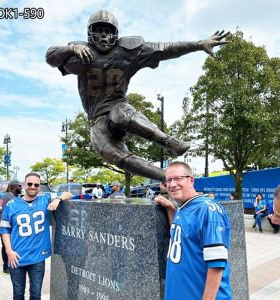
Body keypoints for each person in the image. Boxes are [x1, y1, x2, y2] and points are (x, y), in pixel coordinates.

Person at [46, 9, 229, 182]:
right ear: (90, 33)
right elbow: (51, 56)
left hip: (118, 106)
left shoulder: (127, 51)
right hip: (96, 120)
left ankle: (169, 142)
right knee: (117, 157)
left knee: (120, 115)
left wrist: (199, 44)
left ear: (115, 34)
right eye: (99, 31)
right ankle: (166, 177)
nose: (103, 36)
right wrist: (71, 49)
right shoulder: (81, 53)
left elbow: (165, 49)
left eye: (107, 31)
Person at [155, 161, 232, 299]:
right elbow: (182, 235)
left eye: (178, 178)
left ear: (191, 180)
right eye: (169, 180)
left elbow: (216, 265)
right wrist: (171, 208)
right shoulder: (183, 207)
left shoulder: (208, 210)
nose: (172, 184)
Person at [0, 172, 72, 300]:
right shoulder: (12, 205)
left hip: (38, 257)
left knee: (36, 295)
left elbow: (68, 194)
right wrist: (9, 251)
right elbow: (4, 229)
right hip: (16, 257)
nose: (33, 187)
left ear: (39, 186)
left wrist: (57, 200)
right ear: (24, 185)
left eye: (36, 185)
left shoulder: (45, 198)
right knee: (18, 294)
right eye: (30, 184)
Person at [0, 179, 22, 274]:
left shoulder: (16, 197)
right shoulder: (6, 197)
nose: (20, 187)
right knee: (5, 247)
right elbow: (1, 212)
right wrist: (1, 229)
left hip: (13, 228)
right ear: (12, 187)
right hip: (4, 228)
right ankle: (6, 267)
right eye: (18, 186)